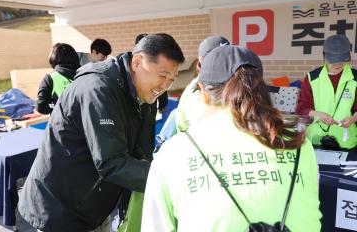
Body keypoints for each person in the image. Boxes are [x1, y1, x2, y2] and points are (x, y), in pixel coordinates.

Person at [142, 45, 321, 231]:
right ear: (260, 89)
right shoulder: (299, 143)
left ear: (203, 93)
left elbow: (155, 226)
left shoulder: (175, 151)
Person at [18, 33, 185, 232]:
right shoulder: (98, 88)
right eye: (163, 75)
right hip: (60, 207)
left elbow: (142, 152)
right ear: (138, 62)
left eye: (172, 79)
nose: (165, 86)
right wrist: (176, 178)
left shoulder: (146, 93)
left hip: (95, 204)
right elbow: (112, 163)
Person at [296, 34, 357, 149]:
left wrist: (353, 119)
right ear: (324, 56)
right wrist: (318, 115)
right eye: (333, 60)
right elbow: (301, 108)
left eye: (341, 60)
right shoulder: (312, 78)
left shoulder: (355, 78)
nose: (337, 64)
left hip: (346, 142)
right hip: (315, 141)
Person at [175, 35, 230, 132]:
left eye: (228, 55)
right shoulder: (196, 93)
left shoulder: (233, 81)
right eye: (217, 57)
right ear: (201, 60)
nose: (224, 61)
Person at [36, 43, 80, 114]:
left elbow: (41, 106)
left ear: (53, 57)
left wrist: (55, 107)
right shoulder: (84, 75)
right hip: (84, 123)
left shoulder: (50, 78)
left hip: (61, 123)